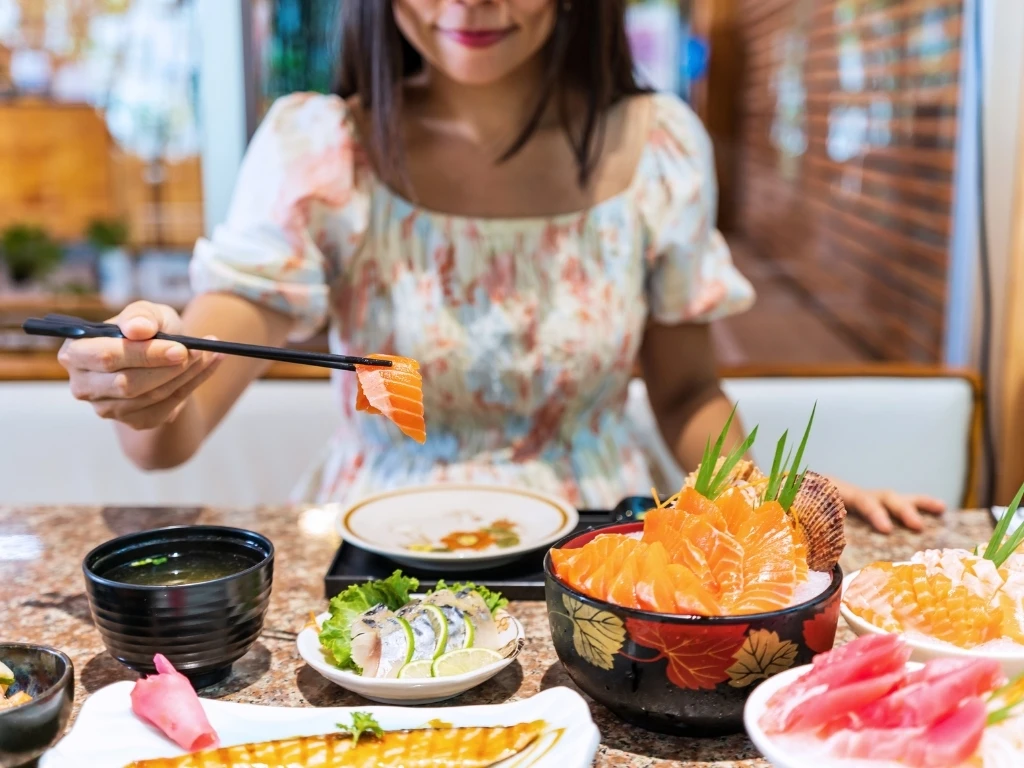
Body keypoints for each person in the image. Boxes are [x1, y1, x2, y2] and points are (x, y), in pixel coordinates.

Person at [58, 0, 943, 533]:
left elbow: (683, 396)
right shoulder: (318, 146)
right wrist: (148, 372)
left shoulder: (659, 143)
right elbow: (170, 434)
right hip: (376, 546)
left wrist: (777, 494)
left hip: (604, 547)